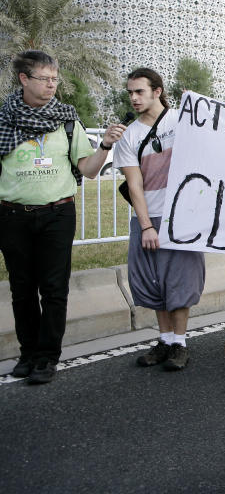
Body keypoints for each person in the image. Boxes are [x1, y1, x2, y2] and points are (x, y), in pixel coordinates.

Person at [0, 51, 126, 383]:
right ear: (24, 79)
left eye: (55, 79)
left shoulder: (67, 120)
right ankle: (28, 354)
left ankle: (47, 357)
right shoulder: (4, 120)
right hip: (12, 217)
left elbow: (88, 169)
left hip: (57, 214)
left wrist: (105, 147)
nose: (52, 85)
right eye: (45, 79)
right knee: (21, 288)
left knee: (54, 288)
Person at [115, 68, 206, 371]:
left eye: (139, 91)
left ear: (157, 91)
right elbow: (134, 185)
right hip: (150, 216)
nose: (133, 98)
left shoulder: (184, 120)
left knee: (180, 281)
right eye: (130, 92)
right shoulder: (130, 135)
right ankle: (165, 340)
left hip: (182, 216)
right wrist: (145, 225)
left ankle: (180, 343)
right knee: (154, 283)